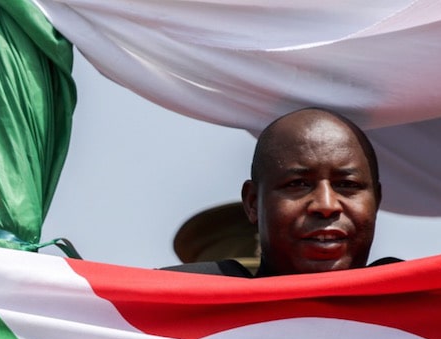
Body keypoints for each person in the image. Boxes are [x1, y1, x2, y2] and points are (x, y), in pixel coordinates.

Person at [164, 107, 394, 277]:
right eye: (298, 184)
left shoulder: (426, 315)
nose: (326, 205)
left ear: (377, 200)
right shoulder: (167, 320)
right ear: (253, 203)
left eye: (348, 185)